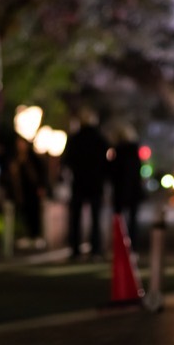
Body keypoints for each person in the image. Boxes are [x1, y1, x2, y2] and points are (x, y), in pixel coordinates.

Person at [62, 108, 109, 260]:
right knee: (96, 218)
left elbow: (67, 160)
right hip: (96, 183)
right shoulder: (100, 140)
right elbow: (107, 163)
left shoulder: (75, 139)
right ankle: (96, 249)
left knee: (75, 218)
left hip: (79, 182)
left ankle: (75, 249)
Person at [109, 124, 145, 252]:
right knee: (133, 221)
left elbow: (112, 172)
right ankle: (132, 245)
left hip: (120, 190)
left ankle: (119, 245)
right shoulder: (134, 151)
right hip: (134, 190)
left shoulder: (116, 152)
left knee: (119, 220)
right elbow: (137, 172)